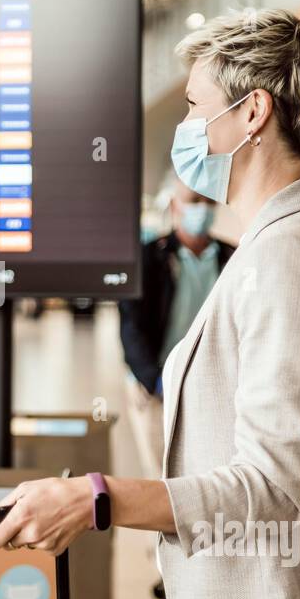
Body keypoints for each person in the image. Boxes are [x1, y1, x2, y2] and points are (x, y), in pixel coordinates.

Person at [0, 8, 300, 599]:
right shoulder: (270, 245)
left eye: (195, 106)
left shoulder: (288, 260)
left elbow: (273, 484)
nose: (187, 129)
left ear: (252, 113)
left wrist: (96, 497)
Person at [118, 178, 235, 480]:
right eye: (194, 201)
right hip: (154, 382)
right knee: (163, 475)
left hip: (211, 383)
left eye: (208, 202)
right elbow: (131, 324)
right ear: (174, 206)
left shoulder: (231, 257)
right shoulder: (149, 257)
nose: (202, 209)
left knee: (209, 473)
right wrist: (154, 381)